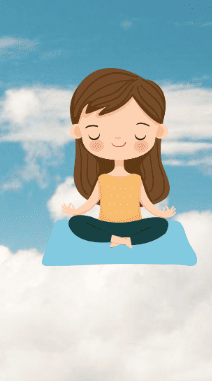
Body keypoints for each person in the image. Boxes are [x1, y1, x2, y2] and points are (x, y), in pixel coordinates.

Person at [60, 68, 176, 248]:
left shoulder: (136, 180)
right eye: (95, 131)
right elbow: (90, 203)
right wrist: (75, 211)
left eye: (138, 132)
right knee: (77, 223)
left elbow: (146, 203)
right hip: (106, 226)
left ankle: (127, 240)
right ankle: (114, 238)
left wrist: (162, 214)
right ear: (78, 131)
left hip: (134, 226)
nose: (118, 139)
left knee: (160, 226)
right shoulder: (103, 180)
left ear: (159, 131)